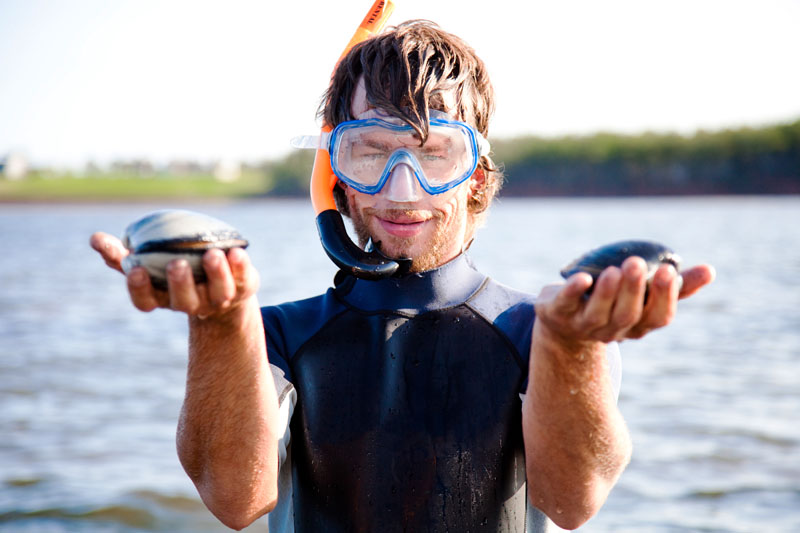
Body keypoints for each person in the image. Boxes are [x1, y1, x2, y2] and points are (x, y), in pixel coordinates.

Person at [90, 20, 714, 532]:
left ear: (476, 172)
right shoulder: (272, 335)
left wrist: (573, 348)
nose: (401, 187)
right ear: (336, 172)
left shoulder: (544, 329)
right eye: (371, 150)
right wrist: (220, 322)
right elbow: (233, 499)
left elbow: (575, 501)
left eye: (434, 151)